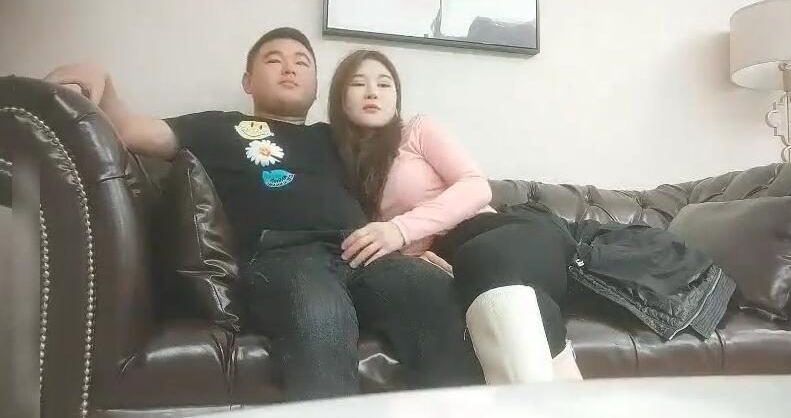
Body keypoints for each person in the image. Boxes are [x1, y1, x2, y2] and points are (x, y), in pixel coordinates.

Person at [44, 28, 483, 400]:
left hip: (362, 250)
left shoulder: (338, 138)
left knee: (433, 294)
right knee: (320, 314)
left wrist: (414, 245)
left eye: (302, 62)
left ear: (317, 88)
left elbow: (402, 194)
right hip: (285, 255)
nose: (289, 68)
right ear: (248, 80)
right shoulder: (217, 127)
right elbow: (128, 130)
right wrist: (102, 82)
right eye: (274, 60)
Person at [327, 49, 583, 384]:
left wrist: (400, 230)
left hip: (499, 231)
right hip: (454, 259)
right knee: (518, 303)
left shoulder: (416, 131)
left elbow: (476, 186)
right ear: (340, 97)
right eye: (359, 83)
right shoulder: (335, 163)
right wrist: (414, 256)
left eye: (384, 84)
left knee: (484, 262)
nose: (373, 92)